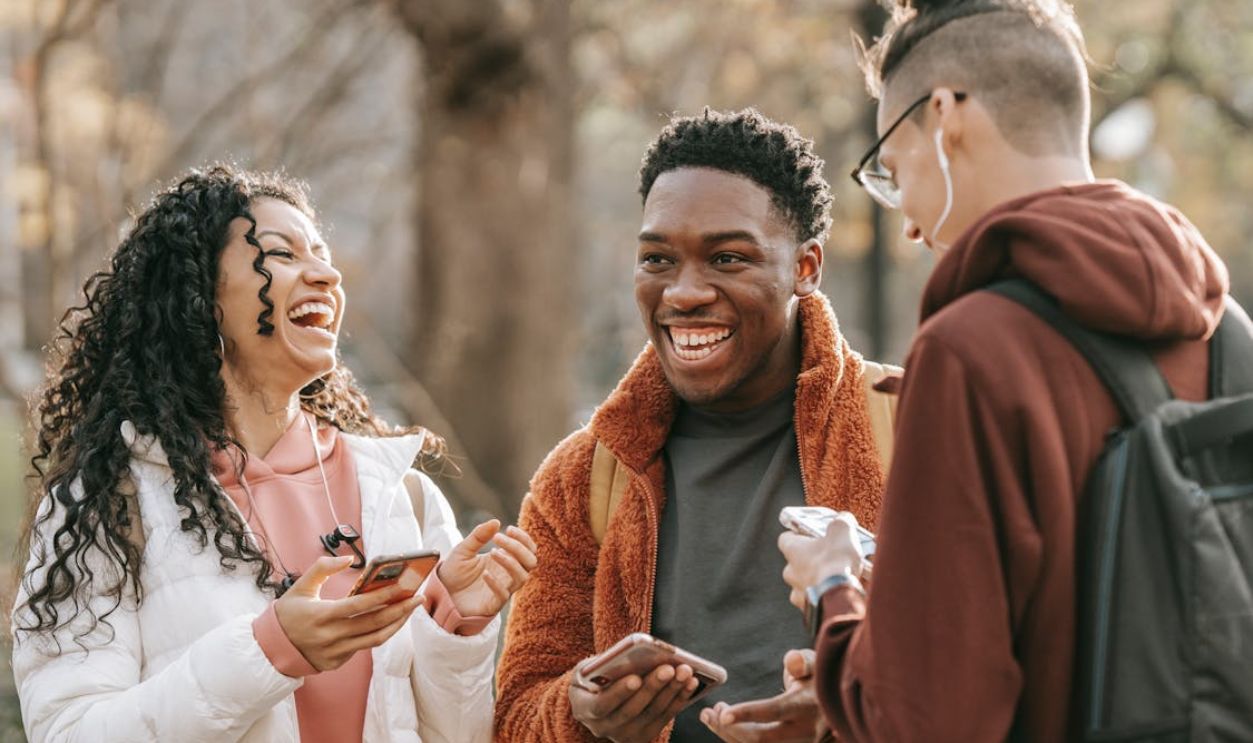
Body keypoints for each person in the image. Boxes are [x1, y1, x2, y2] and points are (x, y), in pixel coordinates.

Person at [774, 0, 1249, 741]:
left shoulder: (969, 353)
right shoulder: (1230, 331)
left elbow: (926, 722)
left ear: (945, 116)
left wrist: (835, 588)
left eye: (893, 171)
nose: (907, 222)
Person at [11, 165, 538, 743]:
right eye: (282, 255)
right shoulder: (109, 504)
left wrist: (455, 626)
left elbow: (455, 735)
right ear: (199, 299)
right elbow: (69, 731)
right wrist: (269, 651)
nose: (328, 274)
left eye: (323, 256)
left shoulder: (401, 493)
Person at [495, 108, 897, 743]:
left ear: (806, 268)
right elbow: (517, 712)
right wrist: (580, 714)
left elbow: (1008, 665)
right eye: (657, 258)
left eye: (728, 258)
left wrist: (856, 707)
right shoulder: (583, 479)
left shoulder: (913, 425)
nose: (683, 293)